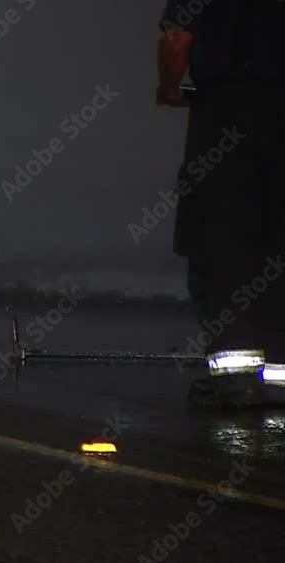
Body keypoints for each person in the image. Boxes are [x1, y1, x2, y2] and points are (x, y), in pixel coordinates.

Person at [157, 0, 285, 407]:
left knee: (220, 240)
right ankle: (281, 376)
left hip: (223, 115)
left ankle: (236, 380)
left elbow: (178, 41)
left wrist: (169, 87)